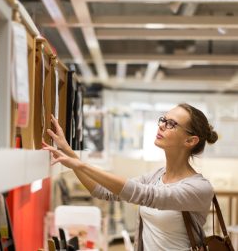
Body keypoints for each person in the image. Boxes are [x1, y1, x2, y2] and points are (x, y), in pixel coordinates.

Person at [43, 103, 218, 251]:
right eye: (163, 119)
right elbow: (103, 191)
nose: (162, 125)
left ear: (190, 141)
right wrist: (68, 151)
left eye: (171, 123)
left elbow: (145, 195)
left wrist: (80, 164)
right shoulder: (156, 176)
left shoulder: (199, 188)